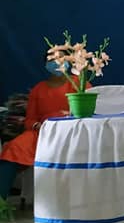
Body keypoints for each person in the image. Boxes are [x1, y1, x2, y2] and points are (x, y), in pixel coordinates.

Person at [0, 58, 74, 203]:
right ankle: (1, 203)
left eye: (61, 58)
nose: (57, 62)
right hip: (42, 133)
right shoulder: (38, 89)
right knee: (13, 149)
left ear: (69, 61)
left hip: (71, 133)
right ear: (46, 64)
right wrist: (37, 126)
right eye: (52, 59)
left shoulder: (79, 85)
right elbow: (29, 120)